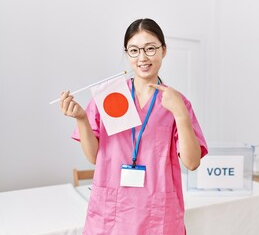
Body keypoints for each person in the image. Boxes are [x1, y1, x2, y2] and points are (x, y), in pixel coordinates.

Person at [59, 18, 208, 235]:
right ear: (127, 53)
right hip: (111, 213)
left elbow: (192, 162)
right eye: (134, 50)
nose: (142, 57)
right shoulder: (110, 96)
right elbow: (94, 157)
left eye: (150, 49)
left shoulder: (177, 102)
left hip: (157, 214)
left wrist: (180, 114)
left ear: (163, 51)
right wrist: (81, 119)